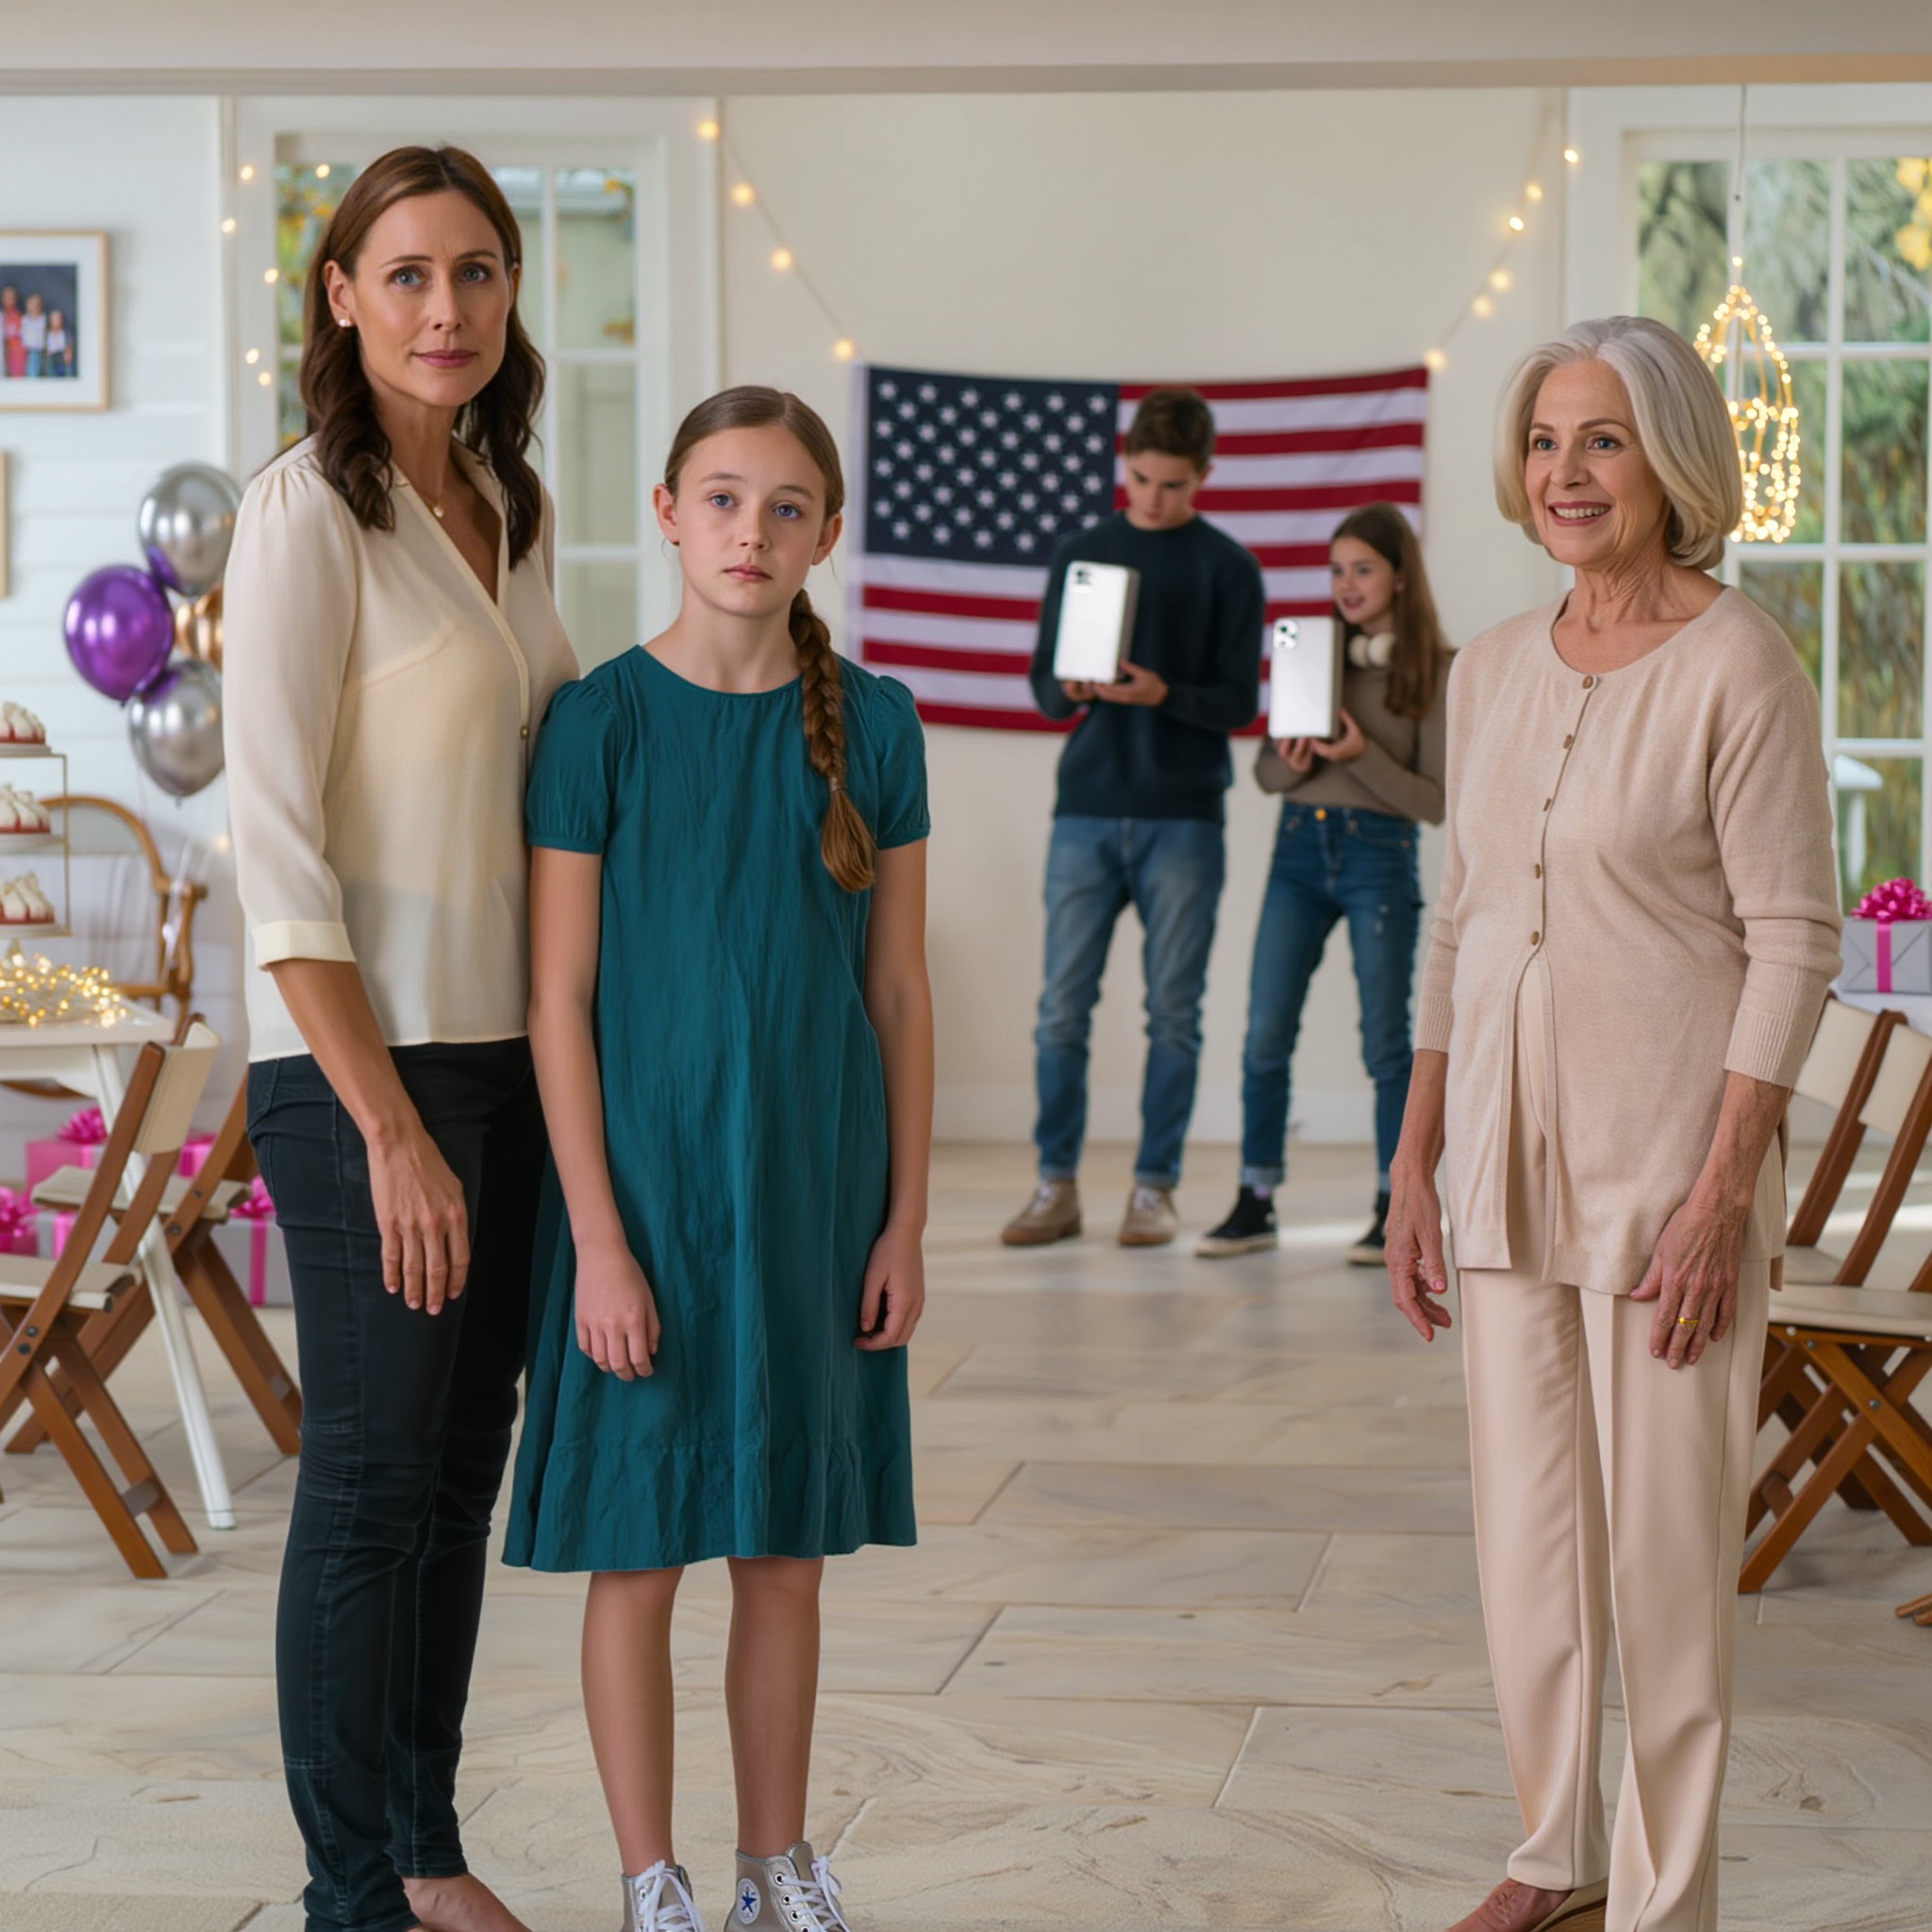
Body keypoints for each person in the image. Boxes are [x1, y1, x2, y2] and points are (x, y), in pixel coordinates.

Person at [1384, 316, 1840, 1932]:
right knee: (1529, 1548)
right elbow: (1457, 918)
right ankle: (1549, 1854)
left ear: (1670, 460)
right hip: (1498, 1162)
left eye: (1600, 439)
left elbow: (1794, 935)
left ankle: (1663, 1898)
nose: (1563, 473)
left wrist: (1725, 1188)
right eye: (1541, 442)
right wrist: (1412, 1155)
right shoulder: (1491, 668)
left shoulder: (1739, 663)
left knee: (1657, 1569)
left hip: (1668, 1178)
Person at [505, 386, 933, 1932]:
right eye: (722, 499)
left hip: (810, 1204)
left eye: (785, 506)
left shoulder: (875, 726)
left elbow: (896, 988)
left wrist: (904, 1219)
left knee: (784, 1553)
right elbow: (555, 1001)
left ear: (824, 530)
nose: (751, 532)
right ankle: (651, 1879)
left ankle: (775, 1861)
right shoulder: (598, 723)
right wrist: (599, 1241)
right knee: (640, 1557)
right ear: (672, 512)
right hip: (645, 1210)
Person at [225, 145, 576, 1932]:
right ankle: (347, 1892)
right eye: (411, 274)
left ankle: (426, 1854)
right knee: (368, 1485)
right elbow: (275, 852)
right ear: (343, 296)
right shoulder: (305, 514)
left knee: (455, 1472)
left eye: (480, 274)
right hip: (366, 1076)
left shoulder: (506, 505)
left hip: (510, 1063)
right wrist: (386, 1124)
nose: (449, 309)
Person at [1001, 387, 1265, 1249]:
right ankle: (1055, 1185)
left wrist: (1163, 693)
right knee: (1061, 1011)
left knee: (1174, 1013)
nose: (1153, 498)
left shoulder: (1228, 567)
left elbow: (1236, 705)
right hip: (1085, 809)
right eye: (1143, 479)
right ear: (1126, 462)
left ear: (1204, 477)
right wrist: (1073, 687)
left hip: (1185, 817)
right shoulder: (1083, 553)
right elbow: (1043, 690)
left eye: (1173, 485)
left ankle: (1154, 1188)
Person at [1198, 502, 1450, 1265]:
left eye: (1363, 569)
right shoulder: (1311, 651)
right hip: (1298, 855)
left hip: (1380, 856)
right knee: (1265, 1033)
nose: (1346, 584)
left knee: (1385, 1043)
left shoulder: (1437, 668)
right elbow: (1270, 774)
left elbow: (1435, 802)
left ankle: (1391, 1199)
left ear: (1400, 578)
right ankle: (1256, 1197)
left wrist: (1358, 750)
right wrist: (1302, 756)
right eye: (1337, 570)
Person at [19, 291, 46, 378]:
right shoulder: (24, 320)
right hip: (27, 353)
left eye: (37, 304)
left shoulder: (45, 319)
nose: (34, 306)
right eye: (31, 304)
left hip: (42, 353)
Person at [1, 287, 23, 379]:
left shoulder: (20, 316)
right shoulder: (1, 315)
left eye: (11, 298)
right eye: (6, 298)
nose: (9, 301)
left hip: (15, 353)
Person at [45, 308, 72, 377]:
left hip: (62, 357)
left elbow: (69, 346)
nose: (56, 322)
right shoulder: (47, 334)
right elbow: (45, 348)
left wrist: (68, 352)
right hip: (51, 358)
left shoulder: (65, 333)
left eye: (58, 319)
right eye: (54, 319)